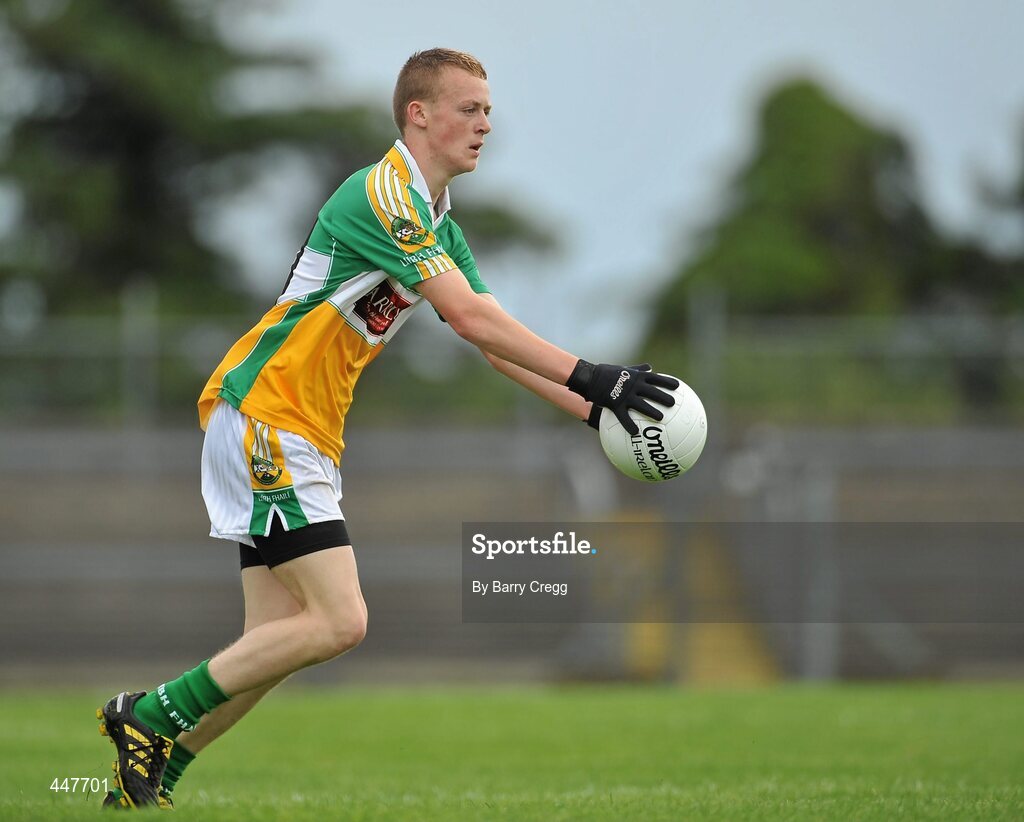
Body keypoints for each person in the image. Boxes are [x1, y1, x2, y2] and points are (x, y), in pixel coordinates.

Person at [96, 47, 679, 809]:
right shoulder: (385, 194)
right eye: (469, 110)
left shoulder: (434, 216)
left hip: (295, 426)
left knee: (269, 646)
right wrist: (595, 374)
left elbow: (489, 338)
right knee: (341, 621)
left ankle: (149, 778)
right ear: (419, 114)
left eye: (489, 112)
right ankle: (145, 716)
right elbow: (471, 315)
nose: (485, 126)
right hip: (270, 414)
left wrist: (595, 409)